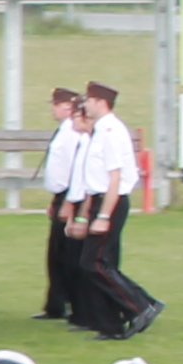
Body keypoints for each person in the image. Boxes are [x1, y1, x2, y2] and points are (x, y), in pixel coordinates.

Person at [65, 85, 156, 338]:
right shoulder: (100, 130)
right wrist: (86, 214)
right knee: (97, 263)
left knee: (94, 263)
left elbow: (115, 177)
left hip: (110, 201)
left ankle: (140, 306)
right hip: (98, 200)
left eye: (89, 100)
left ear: (100, 102)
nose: (85, 106)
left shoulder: (111, 131)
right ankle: (110, 324)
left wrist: (104, 216)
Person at [35, 90, 88, 326]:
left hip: (70, 195)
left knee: (65, 252)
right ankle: (55, 303)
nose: (53, 109)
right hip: (62, 194)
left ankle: (67, 302)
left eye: (56, 105)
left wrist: (67, 203)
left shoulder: (72, 133)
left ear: (67, 106)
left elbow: (72, 170)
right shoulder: (65, 130)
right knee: (55, 254)